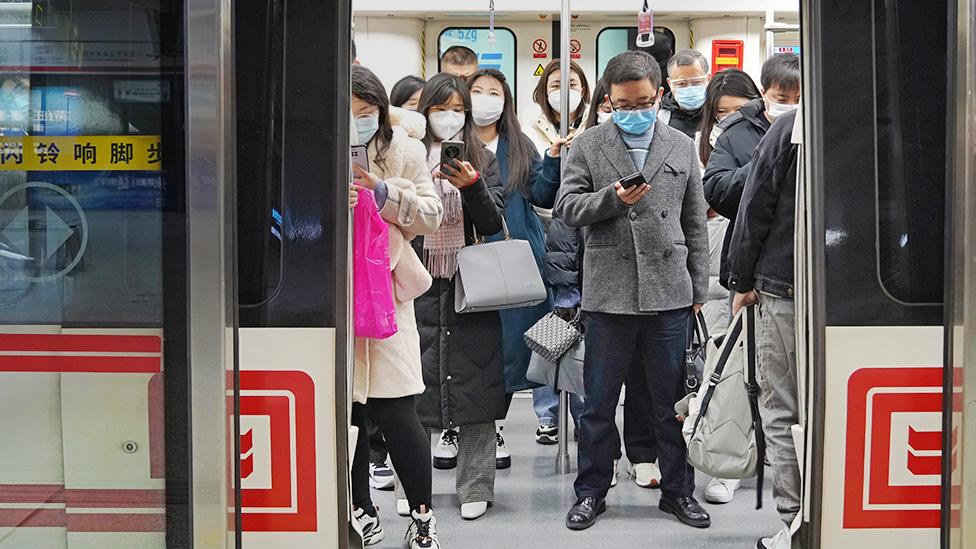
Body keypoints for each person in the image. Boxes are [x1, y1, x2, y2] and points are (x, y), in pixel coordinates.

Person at [555, 50, 711, 531]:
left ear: (659, 95)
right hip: (609, 293)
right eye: (623, 104)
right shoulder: (588, 145)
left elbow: (695, 223)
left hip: (669, 293)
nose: (634, 110)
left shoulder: (681, 146)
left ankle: (678, 491)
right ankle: (591, 492)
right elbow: (566, 207)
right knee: (598, 405)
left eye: (643, 101)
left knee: (670, 405)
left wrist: (699, 286)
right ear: (609, 101)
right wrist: (611, 199)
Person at [348, 64, 445, 549]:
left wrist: (380, 194)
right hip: (332, 300)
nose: (354, 124)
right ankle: (360, 511)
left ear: (380, 113)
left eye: (364, 114)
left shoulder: (404, 151)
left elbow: (432, 215)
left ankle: (422, 516)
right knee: (347, 418)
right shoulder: (310, 150)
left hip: (386, 300)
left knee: (399, 413)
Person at [413, 73, 507, 521]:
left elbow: (494, 225)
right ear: (425, 111)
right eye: (440, 108)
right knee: (415, 382)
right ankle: (416, 486)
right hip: (417, 280)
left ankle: (475, 486)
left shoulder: (484, 160)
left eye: (457, 110)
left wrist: (472, 187)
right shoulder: (406, 157)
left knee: (478, 383)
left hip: (471, 282)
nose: (448, 118)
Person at [468, 67, 562, 467]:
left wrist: (555, 162)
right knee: (479, 349)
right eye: (477, 91)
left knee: (518, 347)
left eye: (494, 92)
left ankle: (535, 416)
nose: (486, 99)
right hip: (471, 258)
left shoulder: (520, 146)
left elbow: (541, 193)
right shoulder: (456, 145)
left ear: (505, 102)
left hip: (518, 259)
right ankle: (485, 427)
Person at [727, 108, 802, 549]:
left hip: (784, 284)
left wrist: (741, 280)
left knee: (783, 408)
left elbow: (757, 203)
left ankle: (795, 524)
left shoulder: (792, 126)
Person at [693, 67, 762, 504]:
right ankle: (726, 463)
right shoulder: (705, 149)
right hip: (717, 267)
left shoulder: (772, 137)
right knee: (723, 369)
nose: (730, 119)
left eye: (738, 110)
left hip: (753, 264)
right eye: (720, 113)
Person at [526, 58, 589, 444]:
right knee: (551, 326)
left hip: (581, 234)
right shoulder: (527, 129)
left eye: (572, 83)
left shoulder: (595, 128)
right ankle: (547, 412)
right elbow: (535, 191)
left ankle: (583, 411)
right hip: (545, 228)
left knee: (578, 327)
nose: (563, 91)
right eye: (554, 84)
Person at [703, 53, 800, 293]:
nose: (790, 106)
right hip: (753, 267)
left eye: (798, 99)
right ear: (764, 92)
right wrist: (763, 167)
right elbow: (717, 191)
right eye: (782, 98)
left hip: (802, 258)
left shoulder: (816, 129)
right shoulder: (735, 134)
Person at [659, 49, 711, 138]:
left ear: (708, 79)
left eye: (696, 82)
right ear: (669, 83)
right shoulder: (660, 118)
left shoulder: (719, 113)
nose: (689, 88)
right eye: (681, 84)